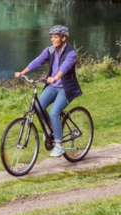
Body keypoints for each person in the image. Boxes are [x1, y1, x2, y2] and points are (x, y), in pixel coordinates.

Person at [15, 25, 82, 157]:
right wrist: (22, 72)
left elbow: (65, 67)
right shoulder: (50, 50)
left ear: (63, 38)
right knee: (38, 108)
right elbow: (37, 61)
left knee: (54, 112)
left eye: (55, 37)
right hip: (53, 86)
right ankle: (51, 128)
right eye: (51, 37)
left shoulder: (71, 53)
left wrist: (55, 77)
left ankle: (59, 145)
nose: (52, 39)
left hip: (66, 88)